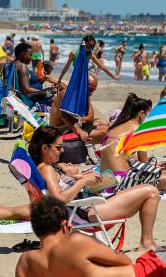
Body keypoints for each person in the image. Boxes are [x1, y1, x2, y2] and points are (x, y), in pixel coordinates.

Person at [29, 125, 160, 250]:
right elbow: (58, 199)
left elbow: (57, 189)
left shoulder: (44, 168)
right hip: (88, 212)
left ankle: (146, 241)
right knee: (151, 191)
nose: (62, 150)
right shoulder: (47, 169)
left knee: (145, 188)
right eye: (58, 147)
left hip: (85, 207)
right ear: (45, 148)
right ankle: (146, 242)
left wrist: (78, 178)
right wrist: (83, 181)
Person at [16, 196, 166, 277]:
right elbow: (125, 261)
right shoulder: (75, 242)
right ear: (64, 225)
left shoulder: (26, 261)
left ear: (36, 230)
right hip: (147, 272)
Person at [100, 94, 166, 191]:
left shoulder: (113, 129)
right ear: (142, 114)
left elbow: (120, 157)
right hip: (121, 182)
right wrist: (157, 167)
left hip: (105, 181)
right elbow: (143, 164)